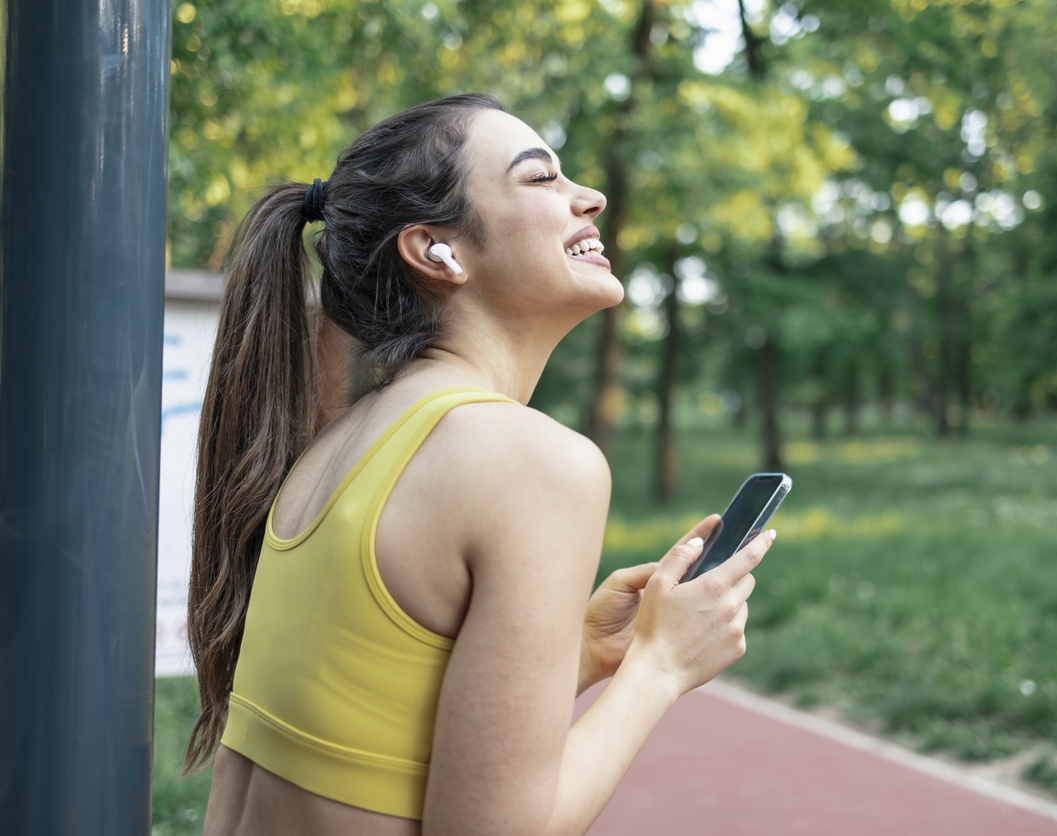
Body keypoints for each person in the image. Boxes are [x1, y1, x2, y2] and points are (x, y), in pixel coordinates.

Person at [187, 93, 773, 836]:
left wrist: (583, 656)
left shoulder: (338, 443)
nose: (590, 197)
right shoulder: (532, 463)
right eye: (541, 178)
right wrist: (661, 666)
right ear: (438, 250)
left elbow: (379, 728)